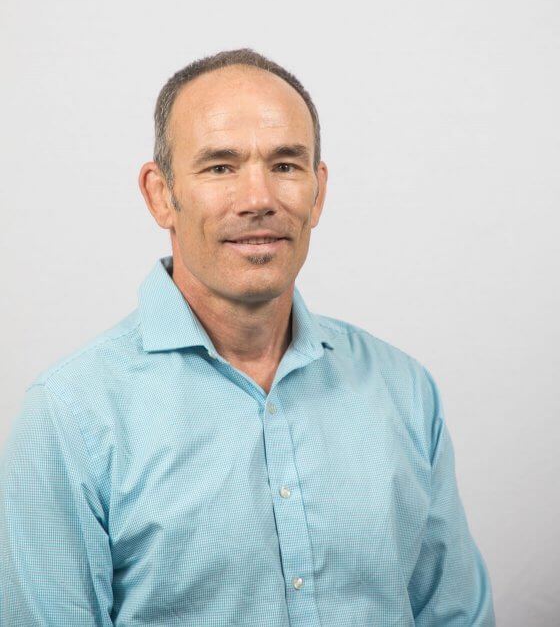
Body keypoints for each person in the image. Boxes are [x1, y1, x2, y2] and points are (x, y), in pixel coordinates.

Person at [0, 48, 496, 626]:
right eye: (220, 167)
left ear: (318, 191)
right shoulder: (71, 416)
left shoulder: (403, 389)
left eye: (285, 165)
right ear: (160, 194)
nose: (259, 199)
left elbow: (456, 616)